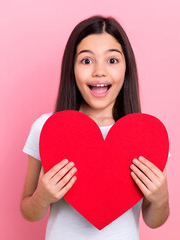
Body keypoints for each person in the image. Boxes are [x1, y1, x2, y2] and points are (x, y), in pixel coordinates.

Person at [20, 15, 171, 240]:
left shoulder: (145, 135)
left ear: (126, 68)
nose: (99, 71)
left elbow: (153, 220)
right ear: (71, 68)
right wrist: (42, 197)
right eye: (87, 60)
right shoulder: (46, 128)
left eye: (112, 60)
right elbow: (28, 211)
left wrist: (161, 199)